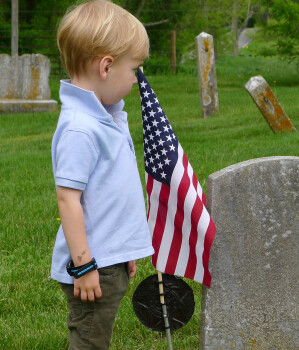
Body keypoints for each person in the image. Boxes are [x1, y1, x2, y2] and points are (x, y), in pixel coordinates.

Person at [50, 1, 154, 348]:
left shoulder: (104, 115)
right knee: (90, 340)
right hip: (91, 266)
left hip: (109, 260)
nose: (137, 79)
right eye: (135, 70)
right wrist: (84, 266)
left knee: (98, 335)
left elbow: (110, 195)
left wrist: (123, 251)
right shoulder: (81, 128)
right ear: (106, 66)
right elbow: (68, 199)